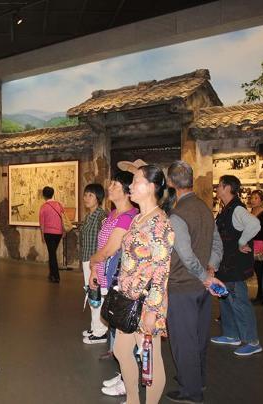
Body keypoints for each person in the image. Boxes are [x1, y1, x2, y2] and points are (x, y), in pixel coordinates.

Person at [164, 161, 225, 404]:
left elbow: (186, 256)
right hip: (201, 288)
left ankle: (191, 391)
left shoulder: (178, 214)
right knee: (198, 337)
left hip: (183, 286)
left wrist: (205, 276)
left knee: (183, 340)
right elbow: (217, 242)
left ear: (170, 183)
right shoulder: (204, 208)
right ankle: (197, 379)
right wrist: (211, 267)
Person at [112, 164, 174, 404]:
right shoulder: (139, 218)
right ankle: (132, 400)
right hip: (128, 300)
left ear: (151, 187)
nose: (130, 185)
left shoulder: (160, 223)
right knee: (121, 351)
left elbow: (161, 271)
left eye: (136, 180)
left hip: (146, 303)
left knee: (151, 360)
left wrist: (152, 311)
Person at [211, 175, 262, 356]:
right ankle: (231, 334)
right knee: (225, 299)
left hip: (234, 266)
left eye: (219, 185)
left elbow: (255, 224)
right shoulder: (226, 208)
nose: (217, 188)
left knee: (239, 302)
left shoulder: (237, 209)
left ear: (227, 188)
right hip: (225, 265)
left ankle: (252, 341)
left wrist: (242, 241)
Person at [87, 170, 139, 345]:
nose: (109, 187)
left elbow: (109, 250)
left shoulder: (129, 216)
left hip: (117, 277)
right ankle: (114, 352)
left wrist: (92, 261)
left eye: (115, 185)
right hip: (104, 272)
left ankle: (120, 357)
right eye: (111, 184)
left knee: (118, 319)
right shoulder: (112, 213)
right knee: (110, 315)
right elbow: (101, 245)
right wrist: (94, 269)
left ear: (127, 191)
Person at [78, 183, 107, 337]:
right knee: (91, 295)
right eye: (85, 194)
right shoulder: (89, 215)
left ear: (98, 198)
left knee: (96, 296)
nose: (86, 198)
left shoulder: (101, 216)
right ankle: (95, 326)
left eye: (90, 195)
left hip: (96, 263)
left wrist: (97, 264)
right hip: (87, 260)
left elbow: (105, 242)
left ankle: (100, 330)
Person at [249, 189, 263, 304]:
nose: (253, 200)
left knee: (260, 271)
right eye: (252, 198)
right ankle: (259, 296)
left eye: (256, 198)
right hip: (250, 244)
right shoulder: (251, 211)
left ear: (262, 201)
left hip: (259, 246)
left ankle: (262, 297)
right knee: (254, 271)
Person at [39, 186, 64, 283]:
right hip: (58, 233)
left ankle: (56, 276)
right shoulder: (59, 205)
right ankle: (51, 274)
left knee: (52, 254)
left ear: (44, 195)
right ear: (53, 194)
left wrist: (42, 235)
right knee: (52, 253)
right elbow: (63, 219)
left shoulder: (43, 207)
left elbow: (42, 223)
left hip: (48, 233)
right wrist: (63, 231)